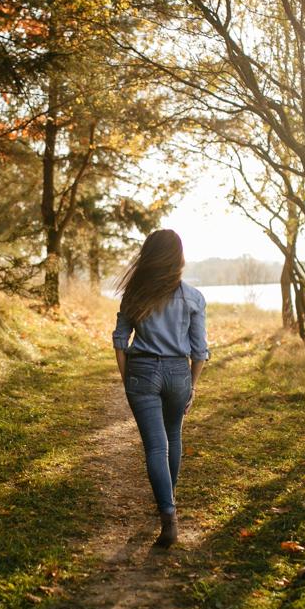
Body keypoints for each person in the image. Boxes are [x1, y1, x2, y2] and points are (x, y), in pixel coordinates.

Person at [112, 229, 209, 548]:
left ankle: (168, 515)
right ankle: (168, 505)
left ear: (149, 257)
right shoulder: (193, 297)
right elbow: (199, 351)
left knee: (156, 445)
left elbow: (119, 340)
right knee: (173, 436)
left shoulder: (134, 296)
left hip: (142, 371)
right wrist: (192, 385)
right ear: (178, 259)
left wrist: (128, 379)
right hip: (178, 373)